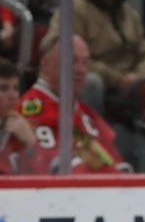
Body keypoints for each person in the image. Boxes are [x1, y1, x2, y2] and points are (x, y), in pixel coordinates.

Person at [47, 0, 145, 162]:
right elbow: (59, 52)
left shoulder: (128, 12)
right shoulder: (74, 7)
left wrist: (139, 76)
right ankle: (92, 147)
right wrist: (118, 79)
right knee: (91, 82)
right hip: (97, 87)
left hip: (130, 89)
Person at [19, 33, 131, 173]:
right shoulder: (27, 113)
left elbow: (116, 168)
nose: (81, 70)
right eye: (72, 61)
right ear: (45, 63)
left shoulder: (87, 115)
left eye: (85, 63)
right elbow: (46, 172)